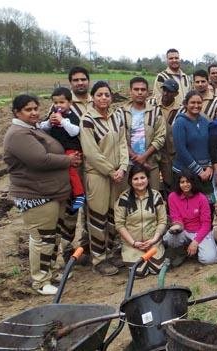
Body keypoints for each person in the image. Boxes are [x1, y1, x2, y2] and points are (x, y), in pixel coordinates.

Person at [4, 94, 82, 295]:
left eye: (36, 108)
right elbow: (40, 160)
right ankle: (40, 280)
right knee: (42, 238)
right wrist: (68, 161)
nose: (34, 113)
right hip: (36, 195)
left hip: (50, 193)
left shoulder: (33, 129)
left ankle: (51, 271)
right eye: (28, 110)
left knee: (52, 236)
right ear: (17, 112)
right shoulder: (18, 134)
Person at [80, 81, 130, 276]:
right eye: (99, 95)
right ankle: (99, 259)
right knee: (98, 217)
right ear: (93, 97)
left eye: (106, 95)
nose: (103, 98)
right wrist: (111, 171)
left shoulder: (116, 116)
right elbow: (91, 152)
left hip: (118, 174)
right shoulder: (87, 120)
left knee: (113, 215)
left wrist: (123, 167)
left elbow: (123, 143)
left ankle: (111, 252)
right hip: (98, 175)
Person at [114, 165, 166, 275]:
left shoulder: (156, 196)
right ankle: (130, 254)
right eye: (135, 179)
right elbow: (119, 225)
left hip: (153, 243)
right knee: (139, 272)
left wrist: (154, 240)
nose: (139, 182)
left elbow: (162, 221)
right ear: (130, 181)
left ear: (148, 179)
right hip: (132, 244)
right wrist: (133, 243)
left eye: (142, 178)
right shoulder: (123, 198)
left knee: (157, 270)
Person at [39, 87, 84, 212]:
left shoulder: (71, 116)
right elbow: (41, 128)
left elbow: (75, 131)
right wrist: (49, 122)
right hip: (57, 150)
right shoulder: (52, 115)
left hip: (71, 148)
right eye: (55, 102)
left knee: (71, 170)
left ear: (70, 103)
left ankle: (79, 195)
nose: (58, 105)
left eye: (62, 102)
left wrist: (62, 121)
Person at [119, 77, 166, 190]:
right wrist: (135, 157)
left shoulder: (156, 111)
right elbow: (119, 139)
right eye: (136, 89)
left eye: (143, 89)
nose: (140, 92)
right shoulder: (121, 112)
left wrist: (144, 157)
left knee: (152, 196)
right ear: (130, 91)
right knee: (128, 198)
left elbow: (160, 137)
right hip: (128, 164)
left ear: (147, 92)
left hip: (150, 164)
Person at [163, 171, 217, 266]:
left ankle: (197, 250)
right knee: (169, 236)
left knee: (210, 260)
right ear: (178, 183)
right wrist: (177, 226)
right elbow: (176, 217)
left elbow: (206, 224)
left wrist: (196, 241)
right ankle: (182, 252)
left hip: (200, 231)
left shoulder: (202, 198)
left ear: (193, 182)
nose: (185, 184)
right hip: (184, 230)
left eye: (188, 181)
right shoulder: (172, 197)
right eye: (182, 182)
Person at [172, 91, 214, 203]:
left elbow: (211, 145)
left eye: (199, 103)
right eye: (192, 102)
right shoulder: (180, 123)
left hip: (206, 173)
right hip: (186, 173)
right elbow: (181, 149)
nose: (196, 105)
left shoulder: (205, 121)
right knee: (188, 205)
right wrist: (199, 171)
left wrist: (210, 166)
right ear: (186, 104)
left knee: (207, 204)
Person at [156, 79, 182, 193]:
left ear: (176, 94)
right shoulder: (152, 105)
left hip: (170, 151)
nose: (166, 93)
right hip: (152, 149)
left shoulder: (181, 109)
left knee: (169, 181)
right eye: (164, 90)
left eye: (170, 91)